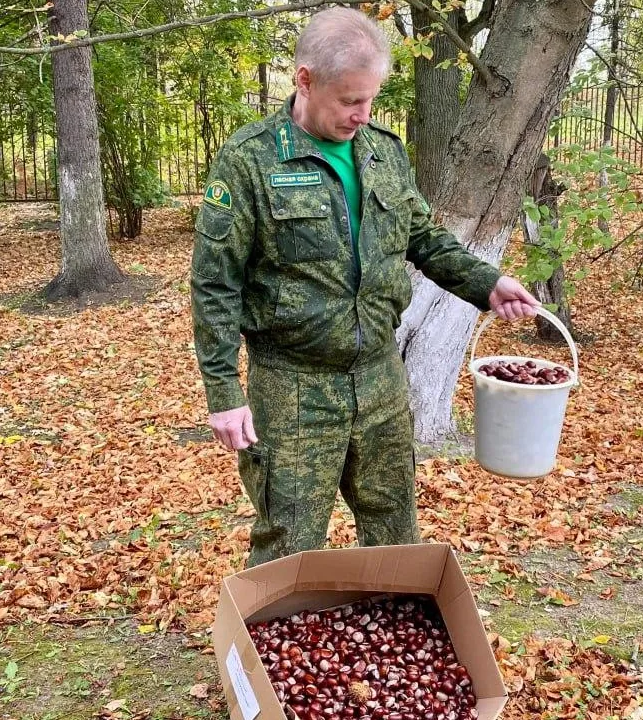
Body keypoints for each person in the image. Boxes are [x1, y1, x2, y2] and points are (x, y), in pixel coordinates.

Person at [191, 7, 539, 568]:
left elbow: (422, 236)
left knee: (395, 534)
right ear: (305, 80)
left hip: (379, 378)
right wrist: (223, 393)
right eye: (350, 100)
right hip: (294, 389)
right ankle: (272, 652)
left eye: (371, 99)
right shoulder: (249, 161)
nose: (362, 113)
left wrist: (488, 283)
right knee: (289, 545)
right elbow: (215, 284)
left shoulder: (383, 152)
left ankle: (389, 649)